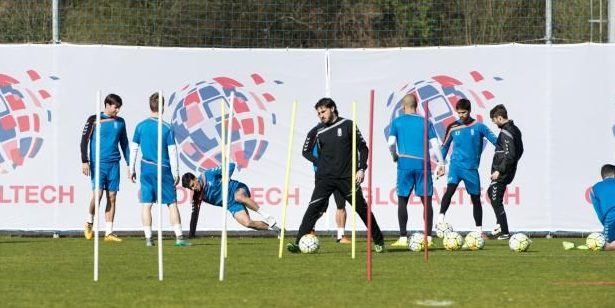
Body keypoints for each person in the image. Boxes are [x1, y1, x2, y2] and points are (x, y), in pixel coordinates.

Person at [289, 97, 386, 254]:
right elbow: (305, 151)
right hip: (325, 178)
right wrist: (320, 162)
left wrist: (361, 169)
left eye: (323, 111)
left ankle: (379, 240)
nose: (321, 115)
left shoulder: (348, 125)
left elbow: (363, 148)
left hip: (347, 178)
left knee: (362, 209)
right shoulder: (317, 131)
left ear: (332, 108)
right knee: (312, 209)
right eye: (318, 113)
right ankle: (298, 243)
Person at [131, 92, 188, 247]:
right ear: (163, 107)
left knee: (146, 204)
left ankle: (149, 239)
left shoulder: (140, 126)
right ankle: (179, 237)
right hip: (163, 169)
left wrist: (131, 169)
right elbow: (173, 151)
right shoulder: (167, 128)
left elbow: (134, 149)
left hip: (146, 169)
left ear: (150, 105)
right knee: (172, 203)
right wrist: (176, 172)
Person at [437, 98, 497, 237]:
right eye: (458, 113)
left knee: (476, 198)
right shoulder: (452, 126)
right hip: (455, 166)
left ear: (469, 111)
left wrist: (505, 151)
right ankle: (440, 220)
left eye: (463, 112)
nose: (461, 115)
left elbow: (495, 141)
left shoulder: (479, 126)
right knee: (450, 190)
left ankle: (478, 231)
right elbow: (445, 145)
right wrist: (440, 164)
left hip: (471, 169)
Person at [387, 93, 443, 243]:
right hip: (422, 164)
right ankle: (429, 237)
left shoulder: (397, 122)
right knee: (427, 201)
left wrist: (394, 156)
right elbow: (435, 144)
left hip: (404, 163)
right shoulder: (425, 122)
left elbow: (391, 143)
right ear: (416, 106)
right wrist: (441, 162)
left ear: (403, 107)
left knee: (402, 200)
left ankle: (403, 237)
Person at [80, 93, 131, 242]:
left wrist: (130, 164)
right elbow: (84, 141)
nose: (118, 111)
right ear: (107, 105)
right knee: (98, 195)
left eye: (119, 108)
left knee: (112, 197)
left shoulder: (120, 122)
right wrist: (85, 161)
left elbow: (125, 143)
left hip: (114, 164)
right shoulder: (94, 119)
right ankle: (89, 222)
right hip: (98, 164)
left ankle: (108, 233)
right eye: (116, 107)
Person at [181, 163, 279, 237]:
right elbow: (194, 215)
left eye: (193, 185)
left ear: (195, 179)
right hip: (231, 205)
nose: (193, 189)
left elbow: (231, 165)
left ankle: (267, 216)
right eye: (191, 188)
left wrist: (226, 177)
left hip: (237, 189)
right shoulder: (197, 196)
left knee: (238, 197)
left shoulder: (208, 174)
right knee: (247, 223)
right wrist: (191, 234)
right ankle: (275, 228)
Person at [487, 104, 523, 239]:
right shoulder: (515, 130)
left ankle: (505, 232)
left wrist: (500, 170)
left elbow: (511, 155)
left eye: (494, 120)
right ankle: (499, 224)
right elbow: (519, 151)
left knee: (496, 200)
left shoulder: (505, 133)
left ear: (500, 118)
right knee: (491, 193)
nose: (494, 123)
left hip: (503, 172)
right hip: (507, 169)